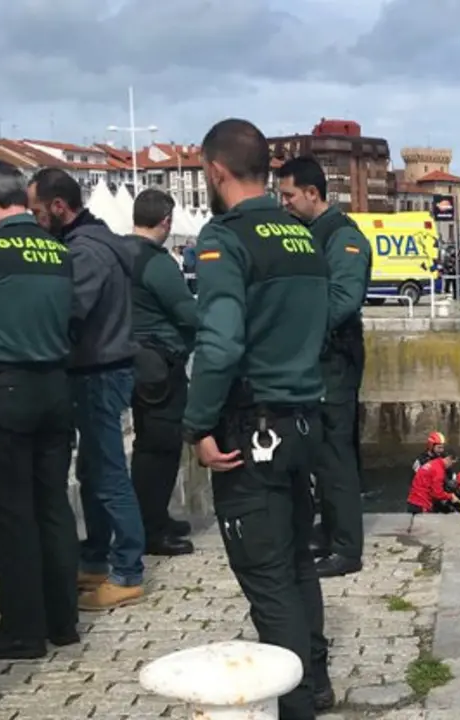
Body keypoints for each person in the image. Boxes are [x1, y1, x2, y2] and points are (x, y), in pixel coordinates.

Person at [181, 118, 333, 718]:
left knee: (269, 581)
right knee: (298, 563)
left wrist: (198, 427)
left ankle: (294, 706)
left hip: (252, 429)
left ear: (216, 171)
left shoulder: (226, 239)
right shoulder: (302, 235)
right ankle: (315, 681)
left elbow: (219, 346)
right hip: (303, 421)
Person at [0, 160, 81, 659]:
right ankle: (62, 621)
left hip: (4, 393)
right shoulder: (58, 253)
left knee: (12, 515)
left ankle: (21, 630)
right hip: (56, 390)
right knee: (52, 507)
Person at [28, 167, 146, 611]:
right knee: (95, 472)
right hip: (100, 368)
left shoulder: (85, 252)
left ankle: (128, 570)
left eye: (39, 210)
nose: (37, 219)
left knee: (109, 472)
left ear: (60, 206)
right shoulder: (98, 242)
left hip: (99, 370)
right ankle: (97, 557)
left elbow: (70, 309)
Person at [275, 156, 372, 579]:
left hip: (334, 358)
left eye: (289, 195)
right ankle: (330, 527)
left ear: (313, 193)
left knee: (336, 452)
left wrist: (299, 333)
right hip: (316, 358)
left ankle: (347, 546)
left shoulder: (343, 238)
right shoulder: (312, 234)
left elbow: (342, 301)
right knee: (319, 450)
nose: (285, 203)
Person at [127, 189, 198, 556]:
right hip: (160, 364)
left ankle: (150, 517)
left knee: (145, 446)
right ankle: (152, 527)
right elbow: (185, 311)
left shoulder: (119, 253)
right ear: (167, 220)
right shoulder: (156, 262)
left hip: (131, 362)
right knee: (161, 447)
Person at [406, 448, 458, 514]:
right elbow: (437, 493)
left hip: (412, 502)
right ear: (449, 458)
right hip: (421, 504)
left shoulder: (432, 464)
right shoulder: (439, 470)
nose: (451, 466)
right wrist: (451, 496)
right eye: (452, 463)